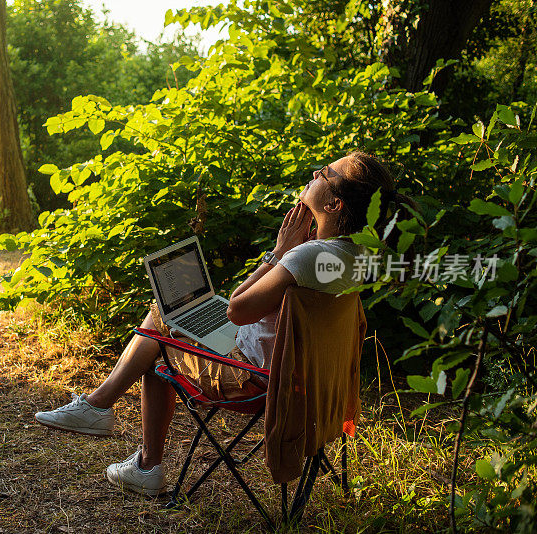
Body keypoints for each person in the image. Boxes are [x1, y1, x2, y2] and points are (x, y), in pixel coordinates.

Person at [34, 151, 418, 496]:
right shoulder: (355, 254)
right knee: (170, 323)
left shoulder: (306, 256)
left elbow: (236, 310)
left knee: (160, 326)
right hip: (311, 382)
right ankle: (107, 419)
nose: (316, 173)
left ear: (333, 203)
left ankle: (124, 438)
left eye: (325, 173)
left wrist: (279, 252)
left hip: (255, 379)